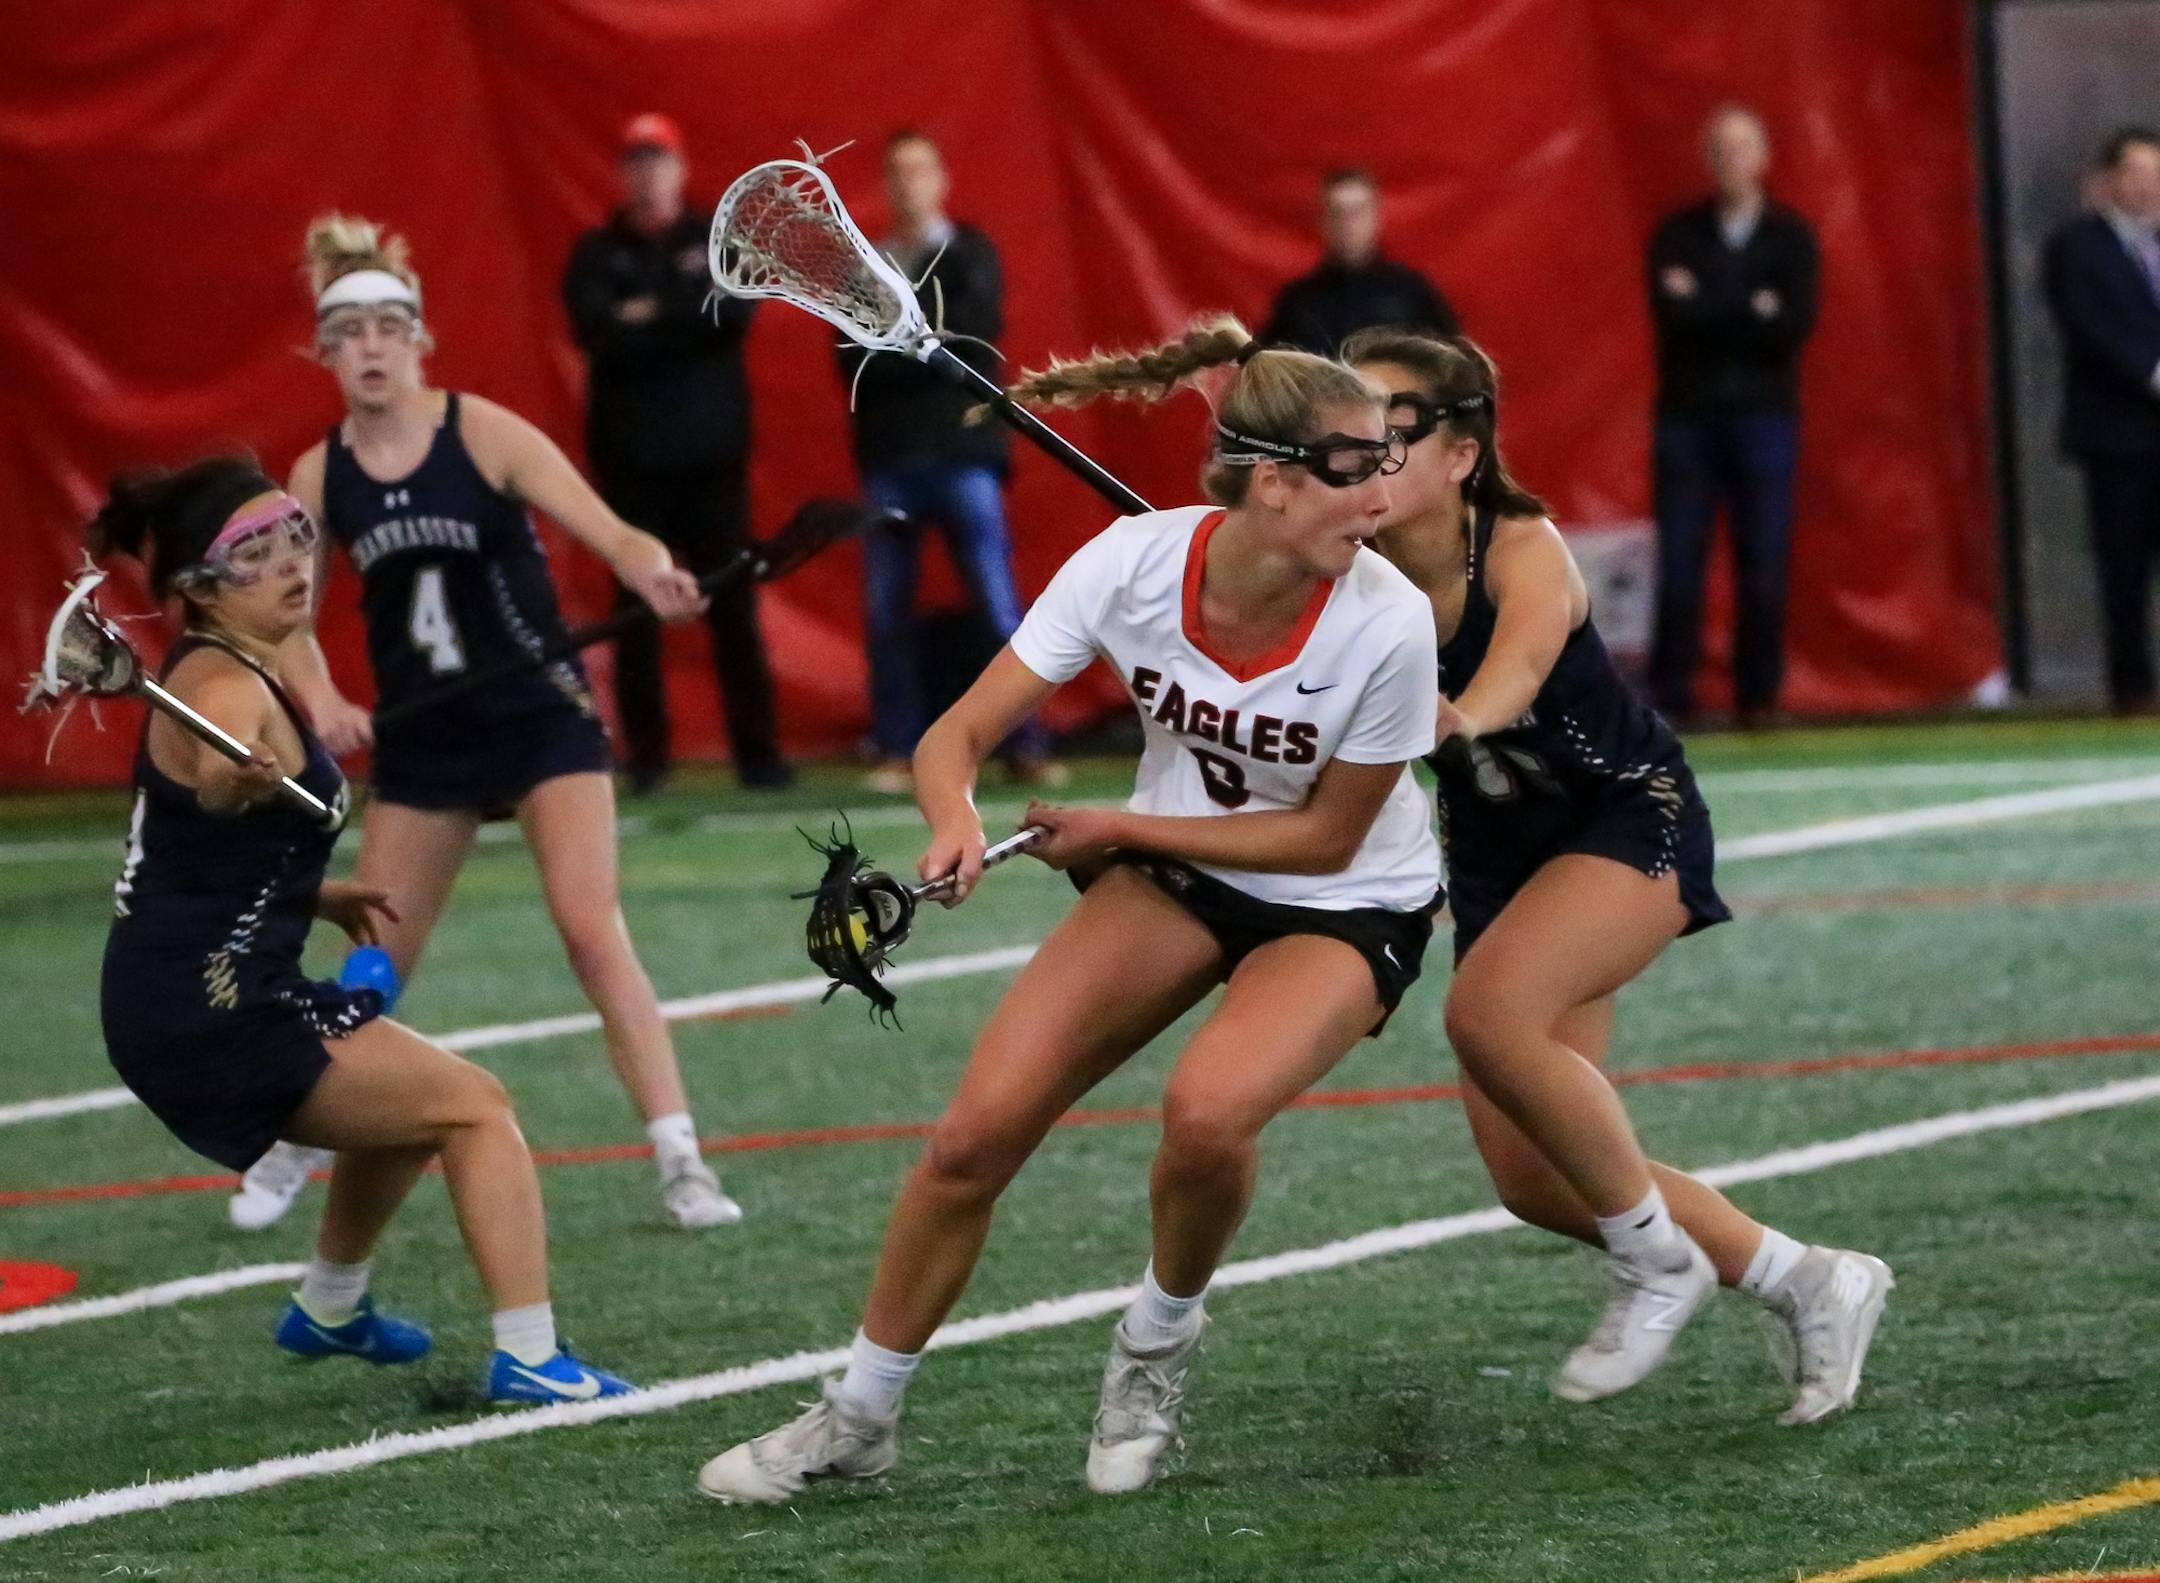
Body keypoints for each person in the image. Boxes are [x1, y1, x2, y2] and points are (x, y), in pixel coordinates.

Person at [698, 319, 1443, 1503]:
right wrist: (950, 814)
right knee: (970, 1140)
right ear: (1272, 483)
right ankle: (861, 1415)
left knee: (1206, 1115)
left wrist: (1121, 826)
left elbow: (1324, 835)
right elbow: (957, 735)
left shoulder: (1391, 620)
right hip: (1182, 874)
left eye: (1387, 463)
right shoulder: (1131, 564)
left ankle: (1153, 1349)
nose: (1385, 497)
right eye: (1359, 470)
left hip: (1344, 900)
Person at [1343, 327, 1892, 1423]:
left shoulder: (1522, 547)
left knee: (1487, 1014)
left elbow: (1511, 680)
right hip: (1502, 862)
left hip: (1626, 818)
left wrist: (1445, 717)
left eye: (1388, 431)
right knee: (1538, 1175)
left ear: (1459, 451)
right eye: (1346, 433)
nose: (1360, 455)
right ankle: (1808, 1276)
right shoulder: (1345, 575)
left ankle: (1660, 1263)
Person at [230, 214, 742, 1234]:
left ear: (418, 339)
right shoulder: (317, 475)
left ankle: (682, 1156)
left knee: (591, 927)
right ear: (324, 351)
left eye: (388, 325)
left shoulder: (484, 432)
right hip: (431, 739)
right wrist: (322, 696)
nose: (371, 345)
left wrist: (652, 568)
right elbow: (279, 615)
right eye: (351, 330)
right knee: (378, 956)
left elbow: (612, 528)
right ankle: (295, 1133)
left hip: (538, 711)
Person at [91, 458, 635, 1403]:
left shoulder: (240, 661)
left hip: (196, 982)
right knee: (474, 1105)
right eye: (252, 554)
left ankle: (331, 1306)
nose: (292, 564)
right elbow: (220, 782)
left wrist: (318, 895)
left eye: (294, 537)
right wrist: (235, 780)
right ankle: (532, 1358)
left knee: (407, 1106)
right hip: (208, 1004)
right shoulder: (224, 688)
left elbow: (197, 864)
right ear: (198, 589)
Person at [563, 111, 791, 792]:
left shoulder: (715, 241)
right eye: (635, 161)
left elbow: (732, 313)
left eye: (658, 160)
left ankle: (759, 755)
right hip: (631, 462)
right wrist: (679, 312)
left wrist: (648, 313)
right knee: (636, 611)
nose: (647, 174)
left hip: (711, 459)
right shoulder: (597, 252)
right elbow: (596, 330)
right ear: (622, 173)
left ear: (680, 169)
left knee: (732, 605)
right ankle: (649, 758)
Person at [838, 129, 1061, 794]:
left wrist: (906, 347)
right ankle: (897, 746)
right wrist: (922, 351)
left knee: (999, 607)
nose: (909, 184)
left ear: (942, 179)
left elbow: (969, 340)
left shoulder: (970, 252)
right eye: (897, 172)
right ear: (885, 184)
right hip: (891, 458)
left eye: (920, 170)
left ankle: (1025, 741)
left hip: (965, 453)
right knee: (886, 610)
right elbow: (853, 362)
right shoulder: (867, 266)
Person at [1644, 105, 1820, 728]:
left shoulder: (1789, 237)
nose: (1731, 161)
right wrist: (1750, 307)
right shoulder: (1679, 234)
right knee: (1682, 562)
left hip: (1763, 418)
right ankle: (1672, 694)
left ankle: (1758, 696)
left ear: (1765, 158)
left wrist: (1711, 304)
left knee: (1764, 560)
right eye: (1720, 149)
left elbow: (1792, 325)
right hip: (1688, 419)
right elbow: (1674, 317)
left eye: (1743, 148)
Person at [2042, 126, 2160, 715]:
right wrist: (2152, 373)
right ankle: (2132, 685)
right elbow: (2086, 327)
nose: (2148, 187)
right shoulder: (2078, 246)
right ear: (2111, 179)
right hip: (2117, 433)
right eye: (2136, 174)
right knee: (2125, 566)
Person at [1261, 168, 1459, 356]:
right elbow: (1266, 374)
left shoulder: (1411, 295)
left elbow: (1453, 368)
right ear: (1323, 220)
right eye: (1338, 212)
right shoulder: (1298, 303)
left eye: (1358, 211)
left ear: (1375, 216)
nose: (1348, 224)